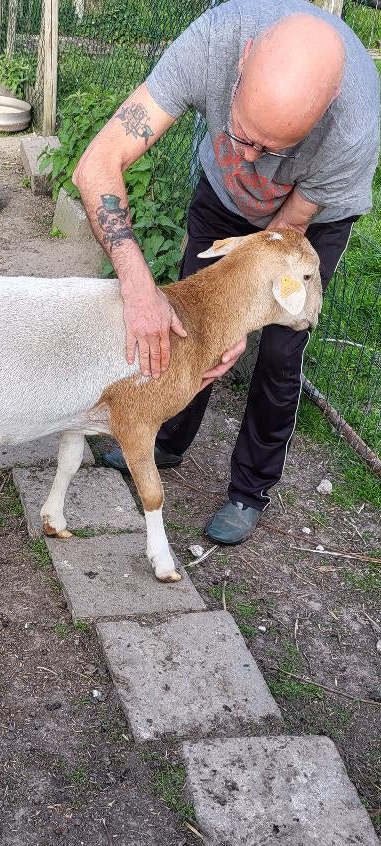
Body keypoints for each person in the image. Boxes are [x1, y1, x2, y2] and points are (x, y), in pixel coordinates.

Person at [72, 0, 379, 544]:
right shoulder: (212, 43)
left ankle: (249, 489)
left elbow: (281, 237)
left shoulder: (353, 125)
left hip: (298, 227)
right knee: (192, 321)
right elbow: (99, 163)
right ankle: (166, 438)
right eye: (246, 135)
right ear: (240, 68)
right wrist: (139, 286)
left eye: (273, 147)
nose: (256, 159)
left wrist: (246, 318)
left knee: (282, 350)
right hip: (223, 200)